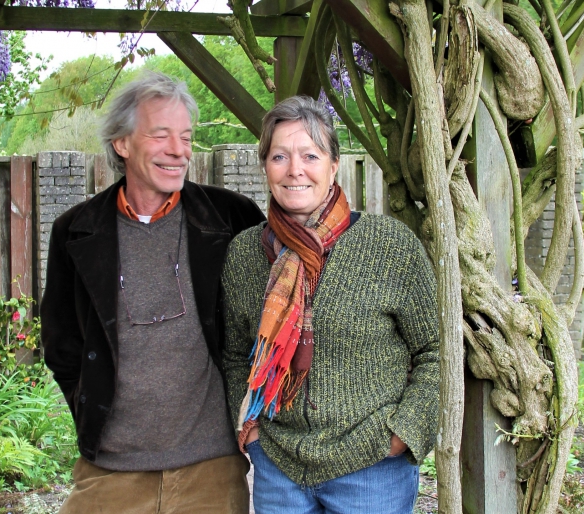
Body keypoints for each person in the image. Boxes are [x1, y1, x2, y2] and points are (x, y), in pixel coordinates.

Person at [41, 72, 265, 513]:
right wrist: (95, 416)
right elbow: (62, 344)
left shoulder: (233, 218)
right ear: (122, 143)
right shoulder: (76, 230)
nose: (179, 150)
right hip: (110, 473)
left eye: (186, 136)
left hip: (212, 471)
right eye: (161, 135)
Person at [222, 96, 440, 514]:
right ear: (265, 165)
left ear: (334, 164)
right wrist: (252, 433)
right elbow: (234, 354)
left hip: (371, 466)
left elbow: (435, 350)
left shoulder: (389, 246)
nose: (294, 170)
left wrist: (404, 430)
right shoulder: (246, 254)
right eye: (279, 156)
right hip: (279, 467)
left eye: (310, 155)